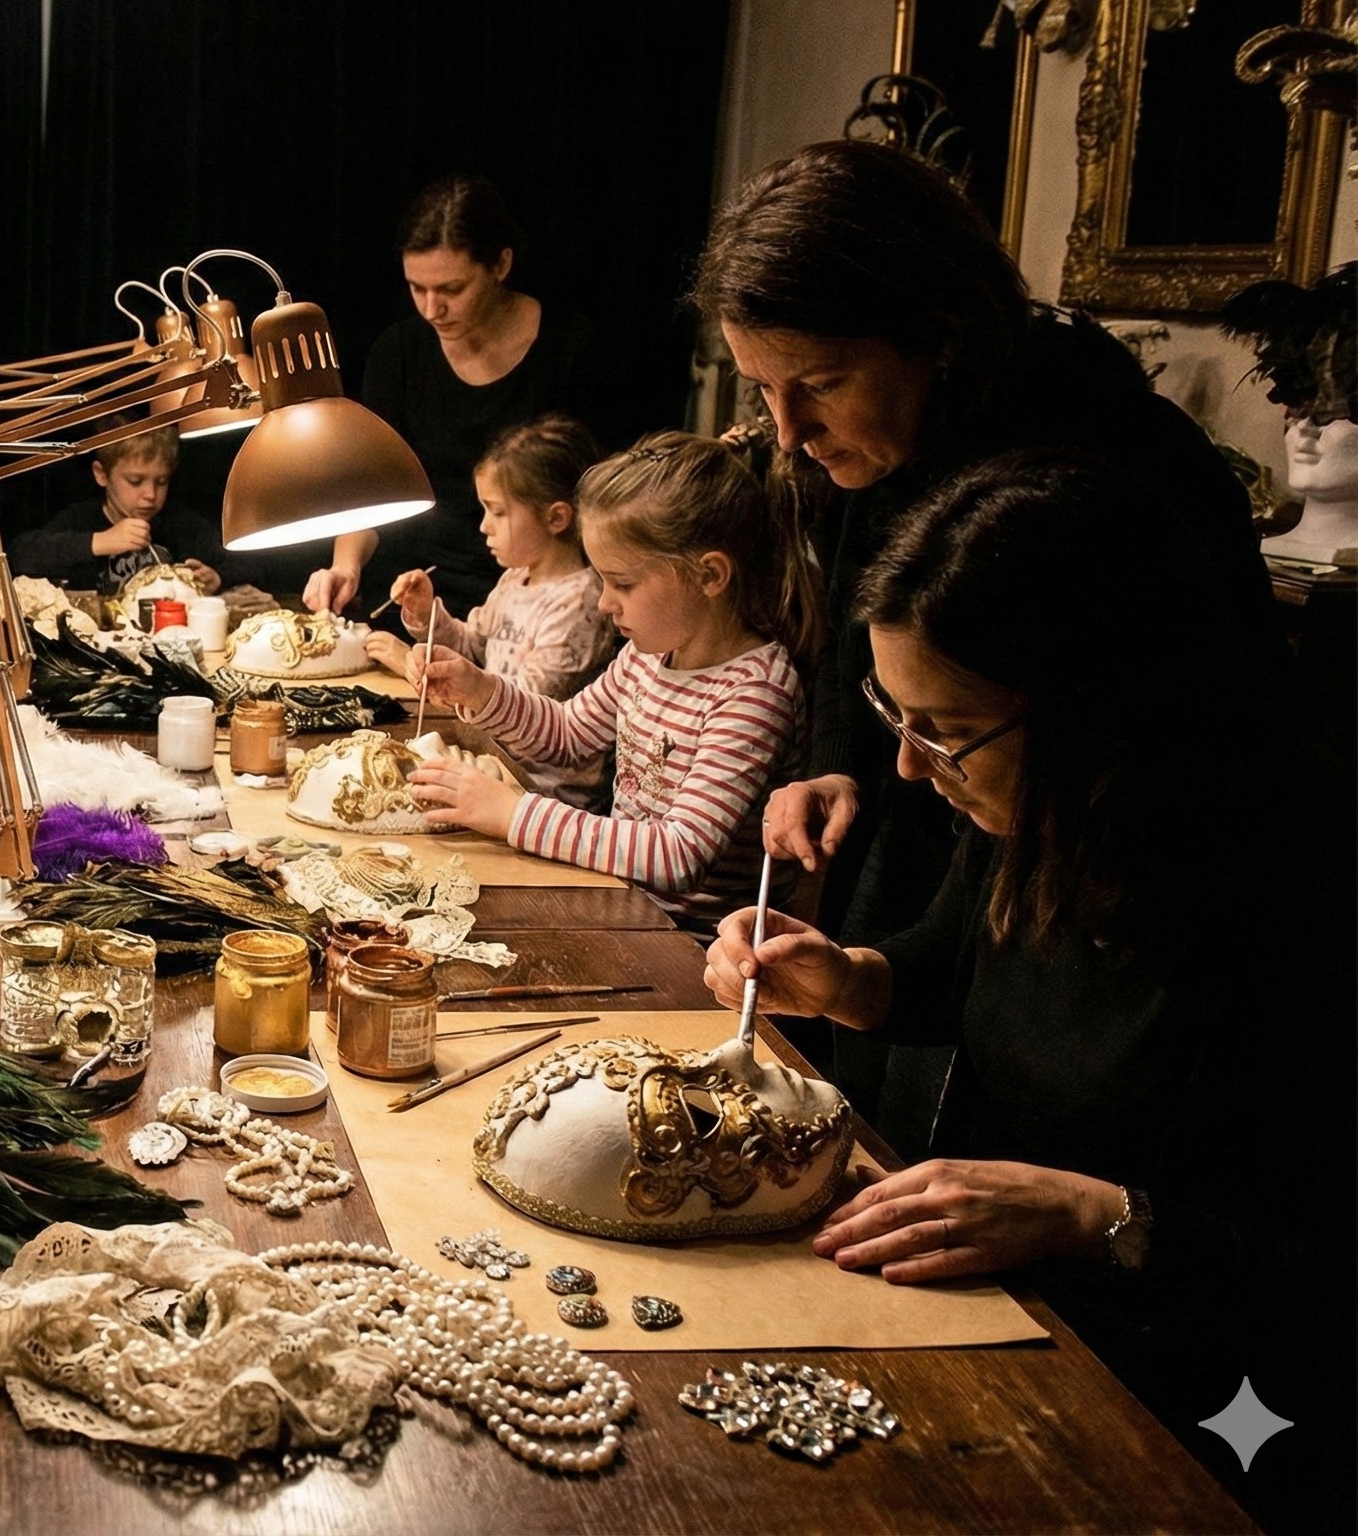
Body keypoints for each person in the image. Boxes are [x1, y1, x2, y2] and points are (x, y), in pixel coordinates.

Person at [701, 454, 1350, 1531]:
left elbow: (1317, 1279)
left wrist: (1090, 1213)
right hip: (993, 1312)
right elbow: (940, 975)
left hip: (1195, 1408)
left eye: (944, 731)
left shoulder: (1298, 885)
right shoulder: (1028, 807)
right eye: (891, 717)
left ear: (1102, 709)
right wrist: (843, 980)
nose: (910, 770)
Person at [692, 139, 1275, 1140]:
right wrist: (838, 759)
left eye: (819, 383)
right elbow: (851, 621)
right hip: (980, 824)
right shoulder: (870, 444)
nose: (785, 433)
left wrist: (1099, 1215)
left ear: (935, 335)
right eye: (759, 389)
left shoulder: (1100, 470)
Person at [403, 432, 817, 927]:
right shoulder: (649, 655)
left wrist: (514, 815)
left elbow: (679, 853)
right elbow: (567, 734)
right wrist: (480, 688)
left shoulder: (753, 692)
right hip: (622, 904)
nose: (603, 602)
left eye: (622, 583)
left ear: (709, 576)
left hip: (694, 947)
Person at [305, 176, 602, 619]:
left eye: (451, 290)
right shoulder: (399, 353)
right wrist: (344, 566)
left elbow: (598, 503)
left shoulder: (571, 351)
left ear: (500, 265)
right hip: (411, 596)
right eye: (417, 288)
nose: (430, 309)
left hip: (533, 610)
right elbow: (370, 487)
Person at [364, 414, 620, 806]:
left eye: (497, 512)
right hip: (488, 758)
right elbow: (473, 646)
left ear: (556, 517)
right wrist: (428, 617)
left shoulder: (580, 603)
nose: (483, 526)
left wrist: (408, 665)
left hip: (540, 791)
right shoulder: (516, 579)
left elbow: (528, 705)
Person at [9, 426, 226, 593]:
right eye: (135, 481)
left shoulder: (180, 524)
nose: (150, 494)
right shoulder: (81, 518)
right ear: (101, 475)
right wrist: (99, 542)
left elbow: (242, 562)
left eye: (161, 481)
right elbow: (20, 555)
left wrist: (217, 578)